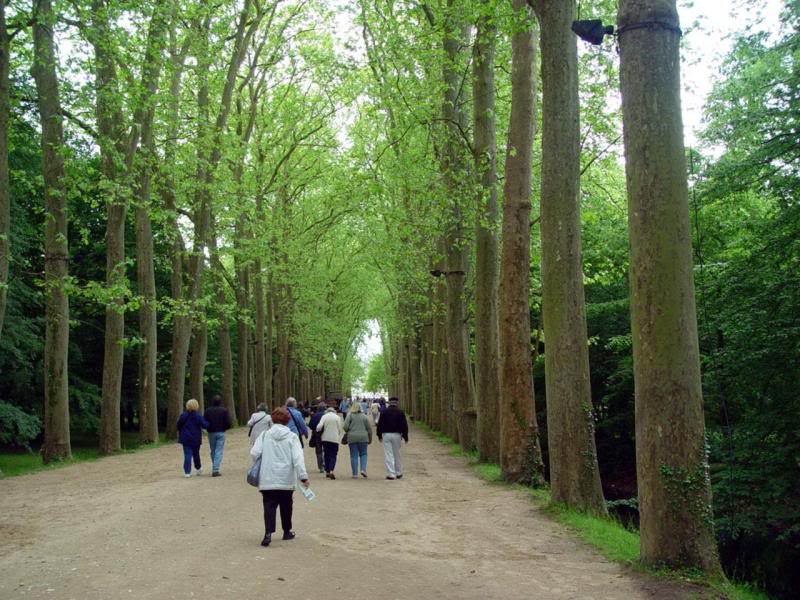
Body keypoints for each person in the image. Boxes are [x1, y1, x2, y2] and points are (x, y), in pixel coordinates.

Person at [250, 407, 309, 547]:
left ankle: (268, 533)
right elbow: (298, 459)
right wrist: (303, 476)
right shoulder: (292, 437)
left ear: (272, 419)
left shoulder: (264, 435)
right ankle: (286, 531)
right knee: (286, 505)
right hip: (286, 478)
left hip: (268, 477)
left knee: (269, 506)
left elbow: (254, 453)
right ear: (287, 421)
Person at [376, 397, 408, 480]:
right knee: (397, 454)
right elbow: (404, 425)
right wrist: (405, 436)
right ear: (397, 403)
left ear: (389, 403)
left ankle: (391, 473)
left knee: (388, 454)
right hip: (397, 435)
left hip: (386, 434)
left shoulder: (384, 412)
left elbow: (380, 424)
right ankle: (398, 472)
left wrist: (379, 435)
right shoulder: (400, 412)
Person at [176, 399, 209, 478]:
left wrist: (182, 431)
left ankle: (187, 472)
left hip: (186, 438)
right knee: (196, 454)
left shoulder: (183, 415)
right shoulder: (198, 416)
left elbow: (178, 425)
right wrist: (209, 423)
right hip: (196, 438)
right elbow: (205, 425)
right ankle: (198, 468)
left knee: (187, 454)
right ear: (196, 406)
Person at [203, 394, 232, 477]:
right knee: (218, 450)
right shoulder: (224, 410)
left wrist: (207, 428)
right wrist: (225, 428)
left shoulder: (207, 411)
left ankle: (215, 466)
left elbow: (204, 421)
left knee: (213, 450)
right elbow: (228, 422)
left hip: (211, 432)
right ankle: (215, 469)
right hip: (221, 432)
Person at [344, 402, 372, 478]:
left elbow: (345, 427)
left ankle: (355, 474)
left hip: (352, 437)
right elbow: (369, 429)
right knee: (363, 454)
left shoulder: (350, 415)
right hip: (363, 438)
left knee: (354, 455)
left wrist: (349, 430)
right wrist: (370, 439)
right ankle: (363, 469)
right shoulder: (364, 416)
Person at [316, 406, 344, 479]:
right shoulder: (337, 417)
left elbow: (319, 426)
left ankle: (327, 471)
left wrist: (318, 431)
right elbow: (340, 429)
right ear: (334, 411)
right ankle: (331, 470)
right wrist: (338, 434)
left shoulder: (324, 416)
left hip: (325, 438)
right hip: (334, 439)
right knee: (333, 455)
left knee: (326, 454)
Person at [308, 401, 328, 473]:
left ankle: (321, 467)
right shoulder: (326, 415)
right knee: (326, 450)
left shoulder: (315, 415)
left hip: (317, 434)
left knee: (318, 451)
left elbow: (310, 425)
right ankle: (326, 464)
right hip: (326, 434)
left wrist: (315, 429)